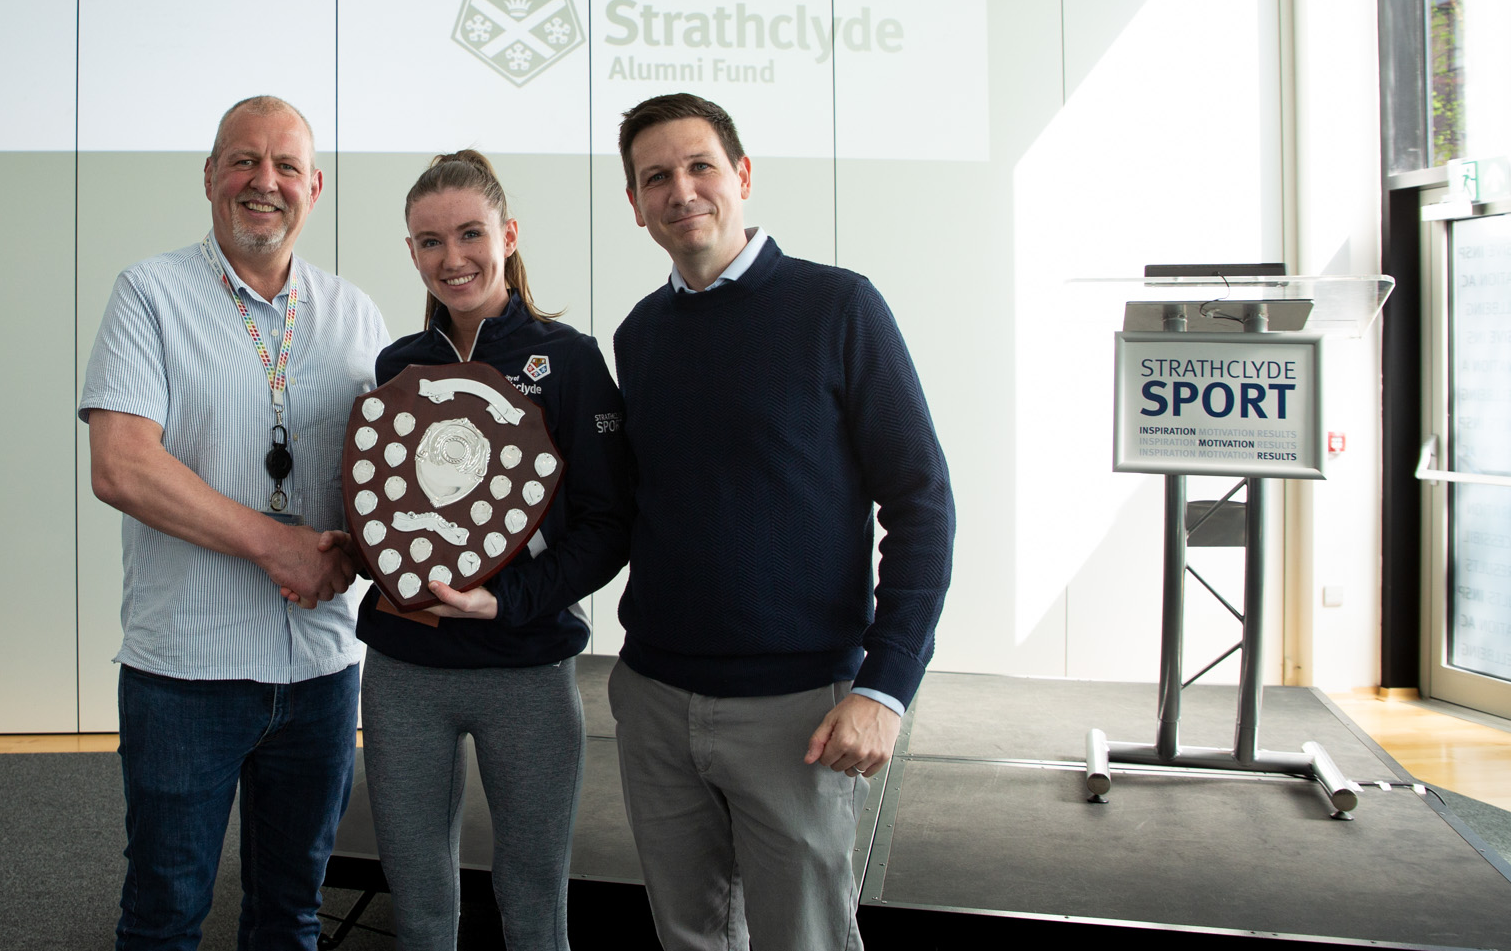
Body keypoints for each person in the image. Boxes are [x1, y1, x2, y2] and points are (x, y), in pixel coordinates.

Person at [429, 93, 956, 950]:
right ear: (635, 205)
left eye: (699, 165)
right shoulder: (640, 335)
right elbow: (621, 511)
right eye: (655, 178)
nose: (681, 190)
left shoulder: (840, 308)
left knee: (804, 940)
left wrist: (886, 685)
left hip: (798, 710)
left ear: (741, 175)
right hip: (656, 700)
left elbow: (922, 503)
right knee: (690, 937)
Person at [79, 95, 389, 951]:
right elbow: (122, 465)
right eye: (244, 160)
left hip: (321, 671)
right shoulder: (151, 293)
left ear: (314, 188)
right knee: (163, 919)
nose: (264, 181)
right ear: (211, 174)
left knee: (291, 918)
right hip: (186, 671)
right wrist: (277, 545)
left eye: (286, 165)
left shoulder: (354, 315)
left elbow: (381, 481)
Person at [313, 150, 634, 951]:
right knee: (420, 907)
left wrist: (508, 599)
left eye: (469, 234)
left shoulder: (569, 359)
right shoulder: (399, 366)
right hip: (406, 670)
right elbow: (398, 509)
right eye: (429, 241)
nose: (451, 257)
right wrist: (360, 547)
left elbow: (609, 524)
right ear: (412, 250)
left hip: (526, 669)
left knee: (533, 906)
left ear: (508, 235)